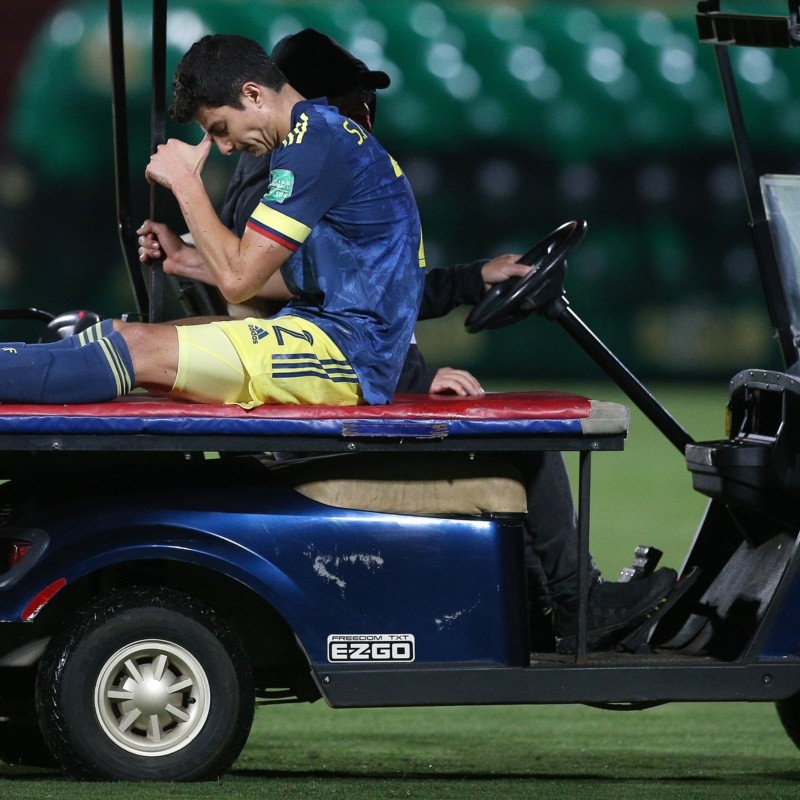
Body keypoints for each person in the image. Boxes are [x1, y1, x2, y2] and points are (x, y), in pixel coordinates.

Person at [137, 28, 678, 653]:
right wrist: (412, 380)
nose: (365, 110)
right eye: (354, 95)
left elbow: (348, 286)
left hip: (327, 373)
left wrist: (471, 281)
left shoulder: (291, 161)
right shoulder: (295, 166)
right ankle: (574, 608)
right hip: (329, 393)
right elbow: (288, 292)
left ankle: (537, 608)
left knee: (508, 437)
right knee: (532, 444)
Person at [0, 33, 424, 414]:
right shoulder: (314, 138)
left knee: (138, 347)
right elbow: (295, 280)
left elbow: (239, 279)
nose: (224, 147)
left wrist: (186, 182)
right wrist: (186, 259)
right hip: (321, 331)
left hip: (349, 355)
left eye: (221, 128)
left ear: (254, 94)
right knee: (119, 332)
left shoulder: (315, 143)